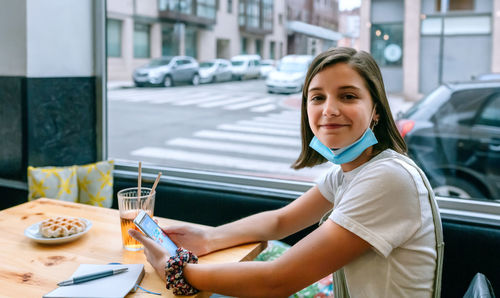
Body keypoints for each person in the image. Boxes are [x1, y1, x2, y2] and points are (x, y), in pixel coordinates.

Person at [129, 47, 444, 297]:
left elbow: (276, 281)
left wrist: (177, 270)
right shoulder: (350, 172)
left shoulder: (388, 178)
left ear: (376, 110)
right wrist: (208, 238)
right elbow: (281, 220)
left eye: (348, 96)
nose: (328, 110)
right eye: (317, 97)